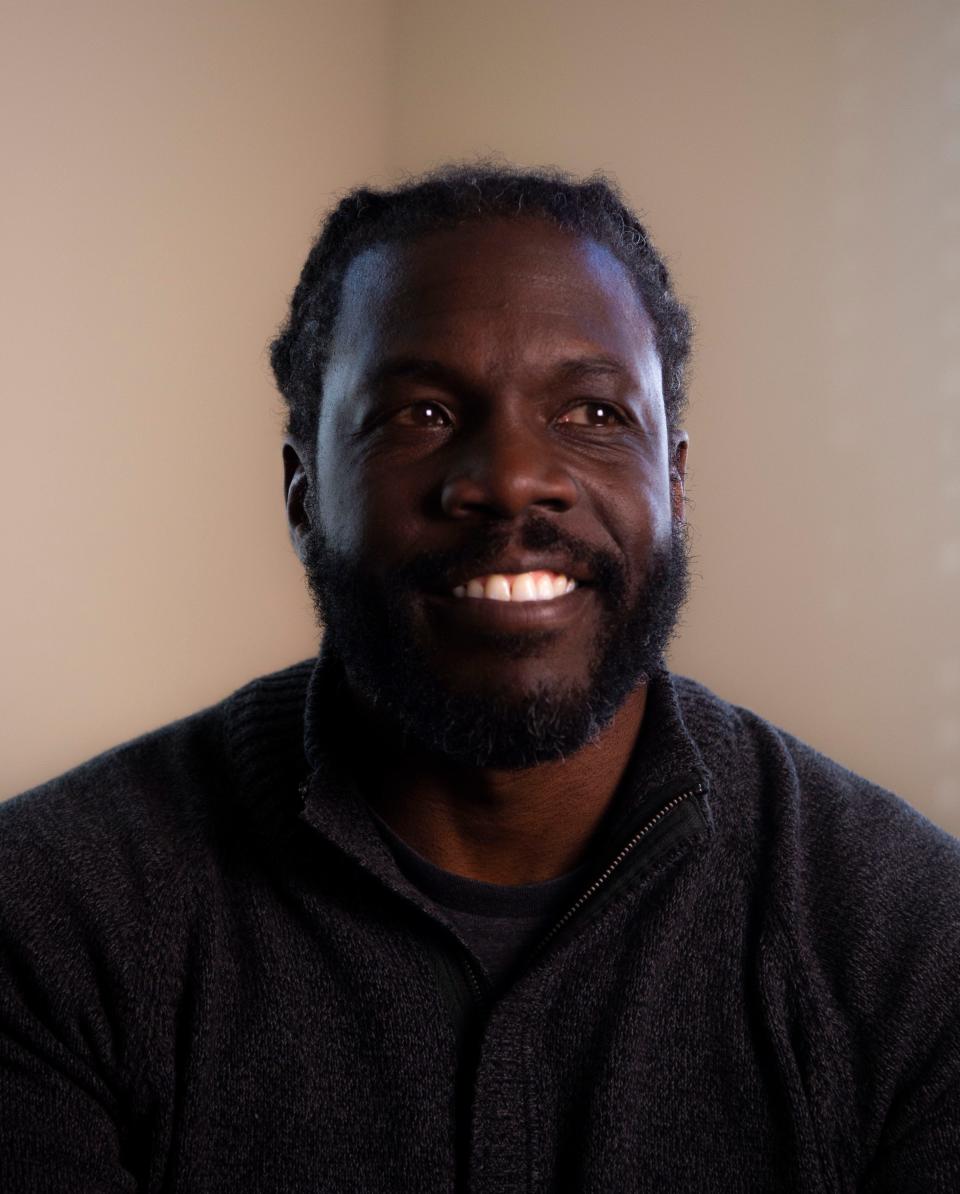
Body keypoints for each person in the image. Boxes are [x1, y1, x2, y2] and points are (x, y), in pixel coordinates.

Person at [1, 164, 958, 1193]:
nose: (510, 478)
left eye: (593, 414)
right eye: (419, 414)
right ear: (302, 489)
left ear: (674, 481)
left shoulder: (911, 941)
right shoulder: (49, 915)